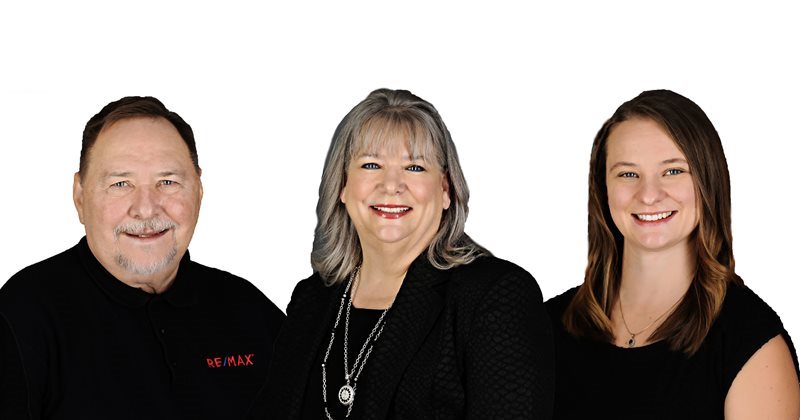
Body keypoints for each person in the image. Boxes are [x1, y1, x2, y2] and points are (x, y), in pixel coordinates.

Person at [249, 88, 554, 419]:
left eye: (414, 167)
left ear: (446, 189)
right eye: (371, 164)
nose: (391, 184)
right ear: (343, 187)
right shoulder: (312, 299)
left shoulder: (495, 295)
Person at [0, 96, 285, 419]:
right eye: (121, 184)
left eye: (168, 182)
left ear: (198, 191)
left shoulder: (249, 310)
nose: (146, 209)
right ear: (79, 196)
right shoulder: (23, 315)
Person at [546, 90, 800, 419]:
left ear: (708, 181)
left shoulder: (750, 342)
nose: (649, 195)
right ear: (602, 188)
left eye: (673, 171)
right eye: (628, 174)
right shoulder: (545, 326)